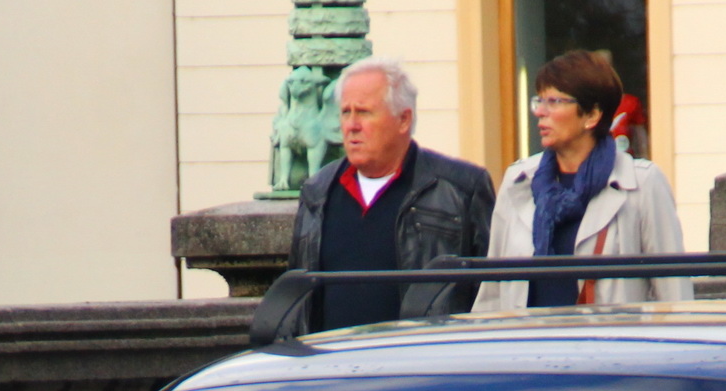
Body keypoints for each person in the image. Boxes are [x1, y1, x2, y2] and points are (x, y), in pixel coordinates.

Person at [288, 56, 496, 332]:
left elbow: (492, 296)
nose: (350, 125)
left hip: (419, 366)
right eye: (345, 112)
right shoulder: (317, 192)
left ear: (403, 119)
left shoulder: (461, 188)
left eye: (363, 112)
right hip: (331, 367)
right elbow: (297, 297)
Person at [474, 50, 689, 312]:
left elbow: (674, 296)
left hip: (606, 348)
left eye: (554, 101)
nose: (540, 112)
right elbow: (493, 293)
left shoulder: (641, 184)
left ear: (592, 115)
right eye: (539, 101)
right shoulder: (518, 180)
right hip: (527, 346)